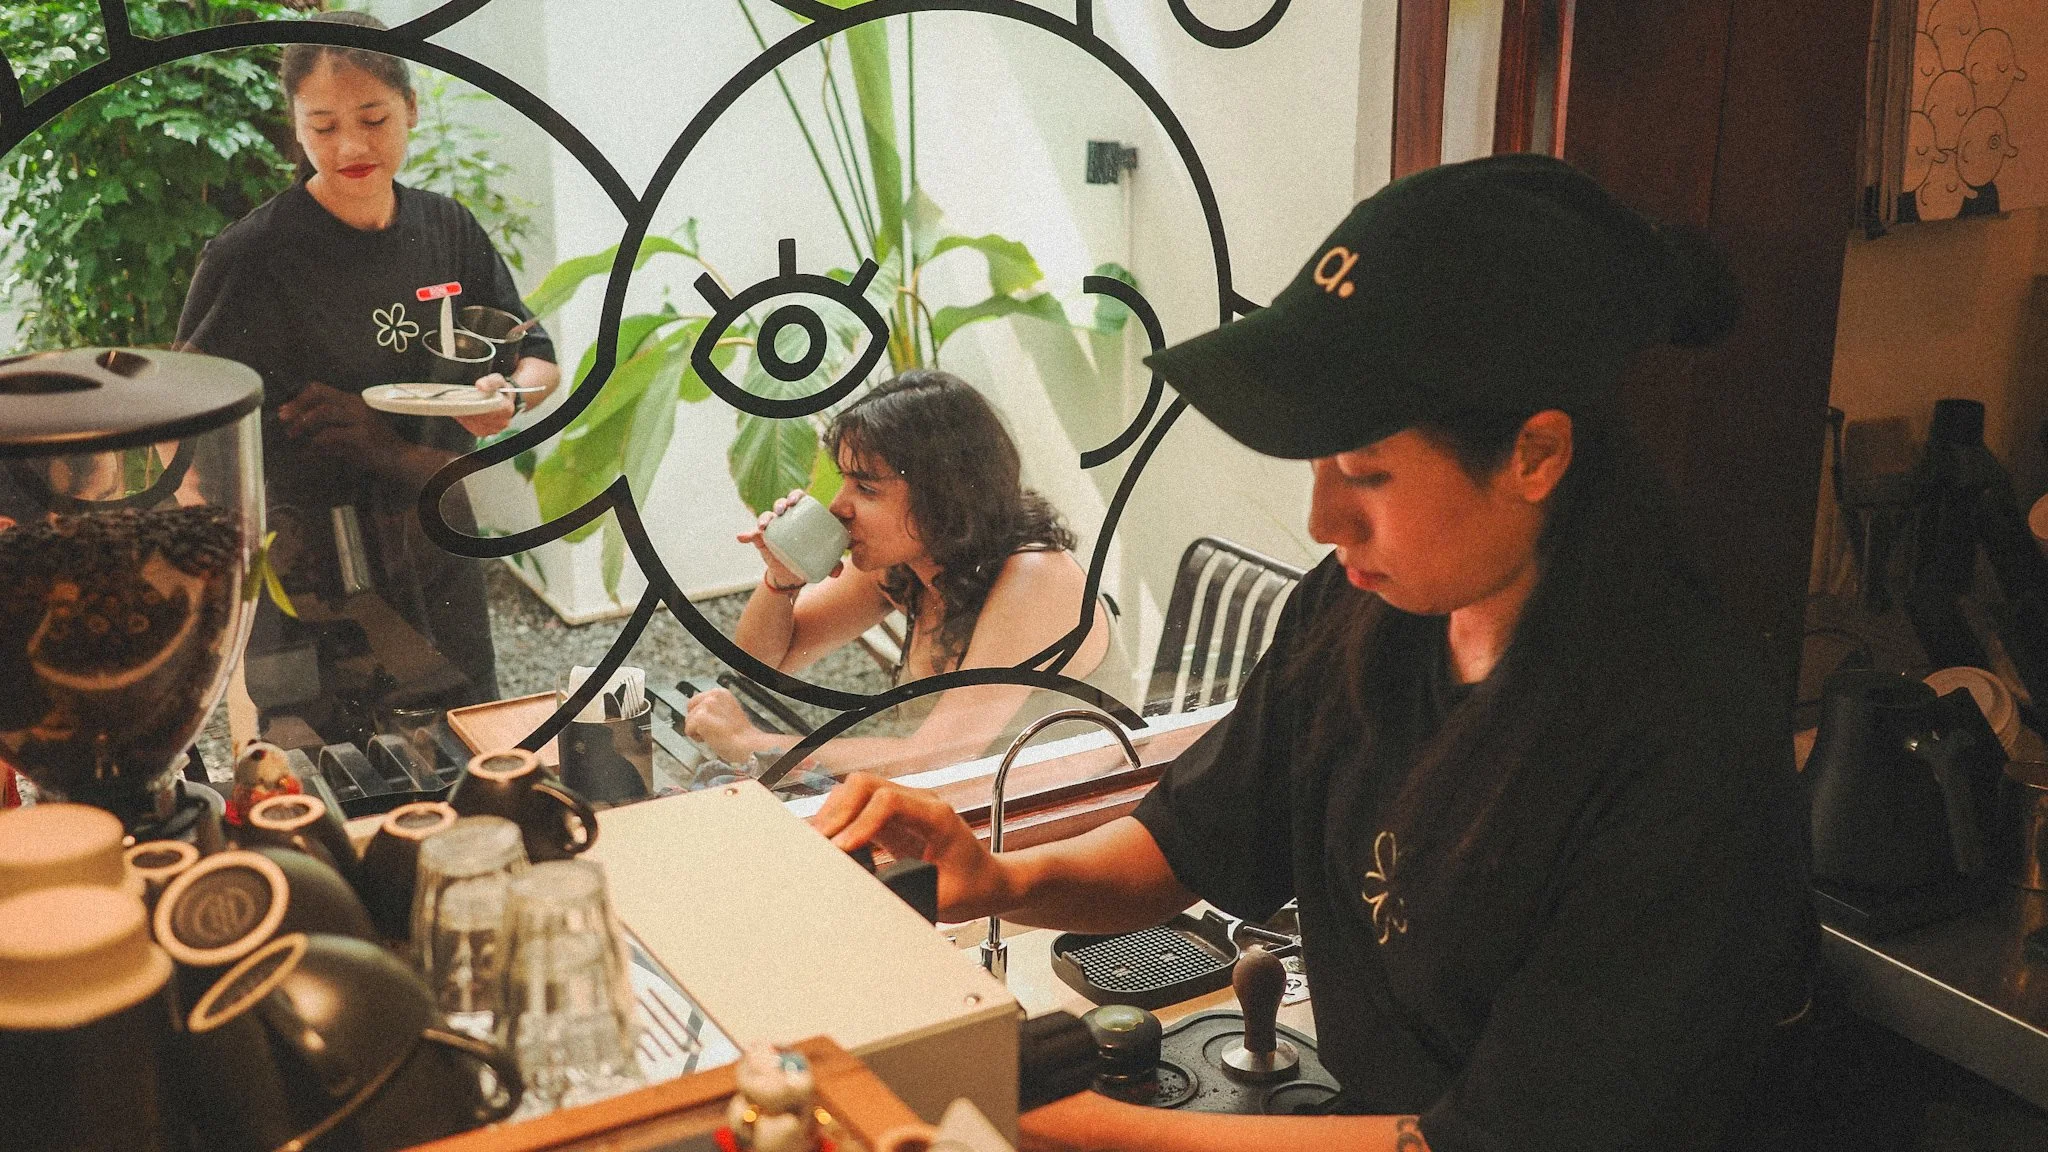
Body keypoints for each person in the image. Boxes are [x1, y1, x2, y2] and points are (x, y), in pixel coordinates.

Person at [810, 155, 1814, 1152]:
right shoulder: (1361, 611)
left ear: (1534, 455)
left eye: (1364, 474)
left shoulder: (1680, 747)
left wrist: (1079, 1129)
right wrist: (996, 878)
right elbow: (1191, 842)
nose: (1322, 518)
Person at [177, 11, 559, 746]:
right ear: (294, 126)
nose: (350, 145)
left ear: (411, 109)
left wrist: (510, 397)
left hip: (436, 534)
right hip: (306, 560)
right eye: (322, 126)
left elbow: (533, 352)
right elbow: (191, 415)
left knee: (463, 744)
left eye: (373, 117)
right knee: (322, 769)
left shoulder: (447, 229)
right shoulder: (251, 255)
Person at [684, 370, 1130, 777]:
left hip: (1073, 827)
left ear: (943, 494)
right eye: (844, 481)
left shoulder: (1035, 577)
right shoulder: (909, 565)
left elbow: (936, 757)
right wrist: (783, 580)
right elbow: (762, 666)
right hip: (982, 815)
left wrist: (756, 745)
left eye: (866, 488)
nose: (839, 505)